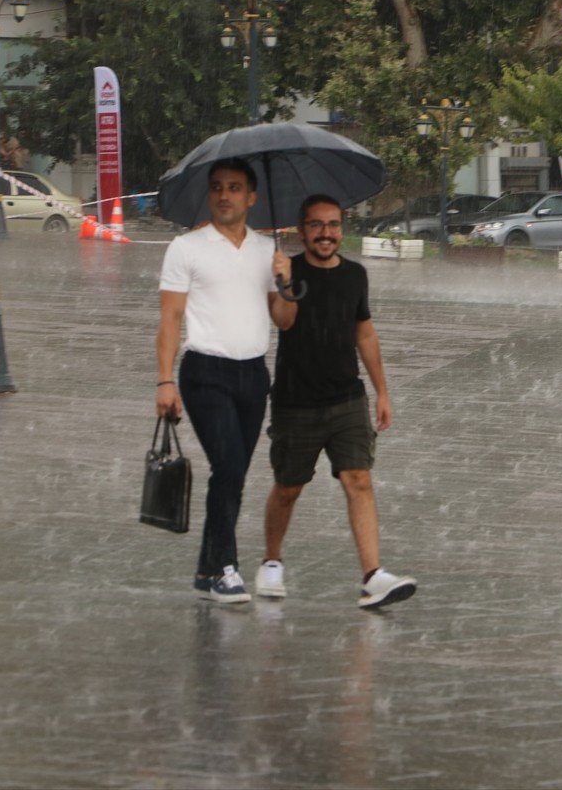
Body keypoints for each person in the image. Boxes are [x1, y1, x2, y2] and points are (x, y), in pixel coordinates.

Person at [258, 193, 416, 610]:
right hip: (296, 401)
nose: (325, 234)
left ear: (342, 229)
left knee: (358, 479)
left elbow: (364, 332)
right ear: (301, 230)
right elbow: (284, 321)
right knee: (289, 488)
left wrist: (382, 391)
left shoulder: (355, 275)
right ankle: (271, 561)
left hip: (347, 398)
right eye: (316, 225)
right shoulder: (286, 270)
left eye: (332, 225)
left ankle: (373, 576)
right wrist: (284, 282)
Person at [156, 156, 290, 604]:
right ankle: (225, 570)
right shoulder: (186, 248)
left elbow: (284, 320)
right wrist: (164, 381)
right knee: (228, 466)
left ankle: (206, 567)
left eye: (235, 187)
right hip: (205, 371)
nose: (225, 195)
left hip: (254, 374)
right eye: (217, 187)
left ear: (252, 196)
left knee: (233, 473)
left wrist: (286, 282)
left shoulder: (266, 250)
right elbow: (170, 318)